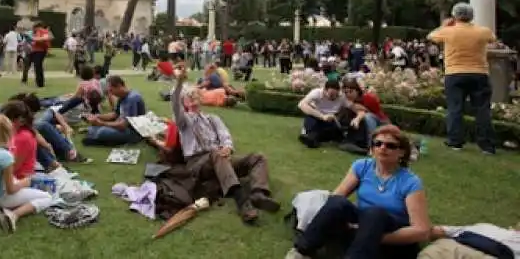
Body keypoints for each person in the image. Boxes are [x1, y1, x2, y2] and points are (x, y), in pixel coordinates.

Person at [285, 125, 431, 259]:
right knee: (337, 202)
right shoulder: (362, 166)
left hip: (391, 233)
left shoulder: (410, 181)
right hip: (362, 222)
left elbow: (421, 230)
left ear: (401, 152)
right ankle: (301, 251)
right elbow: (337, 197)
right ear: (372, 148)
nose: (382, 148)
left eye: (390, 145)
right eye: (377, 143)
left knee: (375, 212)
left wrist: (372, 235)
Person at [171, 65, 280, 224]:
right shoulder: (184, 121)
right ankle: (242, 201)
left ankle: (258, 193)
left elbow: (224, 135)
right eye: (188, 96)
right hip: (198, 164)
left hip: (221, 159)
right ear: (184, 102)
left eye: (195, 94)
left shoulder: (212, 118)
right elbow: (174, 105)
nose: (193, 97)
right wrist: (179, 82)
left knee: (258, 157)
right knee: (216, 154)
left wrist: (228, 147)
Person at [427, 2, 497, 154]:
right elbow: (493, 38)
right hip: (479, 73)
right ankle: (487, 145)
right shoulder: (482, 31)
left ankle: (455, 141)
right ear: (471, 16)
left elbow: (431, 36)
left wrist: (445, 24)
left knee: (455, 108)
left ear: (454, 15)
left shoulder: (448, 31)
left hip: (455, 73)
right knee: (482, 109)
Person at [0, 113, 54, 233]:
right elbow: (11, 189)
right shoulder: (5, 156)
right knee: (47, 197)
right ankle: (13, 214)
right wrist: (26, 183)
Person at [297, 79, 366, 149]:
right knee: (311, 118)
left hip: (331, 122)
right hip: (317, 117)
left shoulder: (341, 97)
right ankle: (312, 137)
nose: (334, 97)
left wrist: (357, 119)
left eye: (336, 94)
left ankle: (312, 138)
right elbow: (301, 104)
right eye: (331, 95)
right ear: (324, 90)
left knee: (334, 128)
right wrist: (322, 116)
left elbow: (360, 111)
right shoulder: (316, 93)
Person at [83, 76, 146, 146]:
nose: (111, 93)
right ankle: (102, 135)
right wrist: (97, 116)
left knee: (101, 132)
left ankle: (102, 136)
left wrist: (101, 123)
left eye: (111, 90)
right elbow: (115, 114)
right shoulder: (122, 96)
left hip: (133, 132)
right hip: (121, 125)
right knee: (95, 126)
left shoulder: (132, 98)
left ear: (119, 86)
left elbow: (123, 125)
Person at [22, 22, 51, 87]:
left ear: (37, 27)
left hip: (40, 51)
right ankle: (38, 82)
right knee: (36, 66)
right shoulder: (37, 32)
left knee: (38, 66)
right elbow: (35, 42)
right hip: (35, 51)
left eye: (34, 28)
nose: (33, 30)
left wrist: (33, 38)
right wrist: (29, 39)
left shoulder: (43, 31)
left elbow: (45, 38)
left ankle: (40, 83)